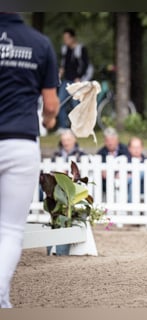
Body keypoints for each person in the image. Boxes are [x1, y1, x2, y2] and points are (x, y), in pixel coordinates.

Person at [0, 13, 59, 308]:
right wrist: (49, 119)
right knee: (10, 229)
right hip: (20, 139)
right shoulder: (40, 43)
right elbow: (50, 104)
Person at [57, 28, 91, 131]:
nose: (65, 40)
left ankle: (77, 127)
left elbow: (85, 66)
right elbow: (63, 65)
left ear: (73, 38)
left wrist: (79, 78)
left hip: (77, 81)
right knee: (60, 102)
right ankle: (63, 127)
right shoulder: (65, 49)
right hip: (66, 81)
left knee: (75, 105)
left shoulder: (81, 49)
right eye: (64, 38)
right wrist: (59, 74)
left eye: (67, 38)